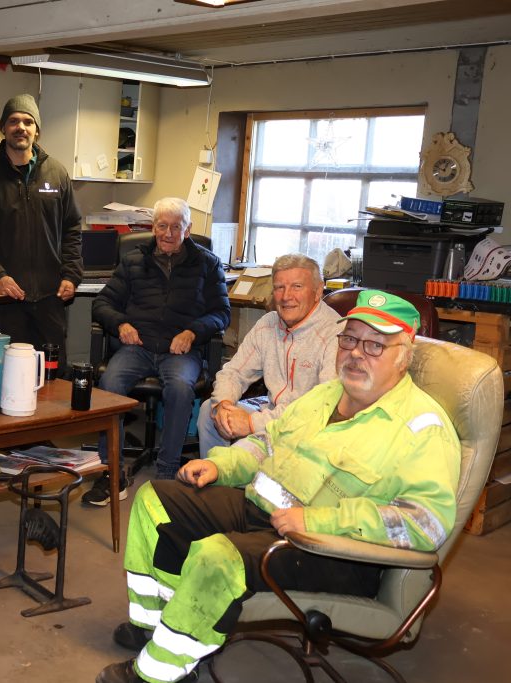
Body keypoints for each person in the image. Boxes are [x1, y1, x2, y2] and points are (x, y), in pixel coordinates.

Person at [96, 290, 460, 683]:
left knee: (217, 556)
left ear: (404, 357)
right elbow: (269, 441)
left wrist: (320, 521)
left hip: (334, 553)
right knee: (156, 500)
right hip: (262, 512)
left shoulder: (423, 428)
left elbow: (427, 523)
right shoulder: (327, 393)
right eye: (350, 339)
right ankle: (157, 626)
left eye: (375, 345)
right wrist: (222, 465)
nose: (356, 353)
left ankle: (159, 672)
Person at [86, 198, 229, 506]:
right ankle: (111, 472)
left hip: (180, 350)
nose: (167, 233)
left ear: (187, 230)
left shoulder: (208, 264)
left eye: (175, 227)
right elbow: (102, 304)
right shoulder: (134, 261)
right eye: (161, 226)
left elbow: (221, 313)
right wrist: (121, 324)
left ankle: (166, 473)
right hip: (137, 347)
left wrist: (193, 332)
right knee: (110, 386)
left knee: (179, 387)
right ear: (153, 228)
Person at [0, 93, 83, 370]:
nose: (21, 127)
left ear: (37, 130)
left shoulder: (57, 174)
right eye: (14, 121)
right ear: (3, 128)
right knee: (9, 375)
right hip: (7, 299)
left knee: (53, 380)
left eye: (28, 121)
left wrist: (71, 275)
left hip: (51, 298)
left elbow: (72, 228)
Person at [197, 253, 339, 457]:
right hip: (272, 410)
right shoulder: (269, 323)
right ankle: (214, 481)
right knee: (209, 412)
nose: (286, 296)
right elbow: (234, 372)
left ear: (318, 291)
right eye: (279, 287)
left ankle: (235, 476)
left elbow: (319, 410)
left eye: (297, 287)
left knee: (243, 452)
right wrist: (224, 404)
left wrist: (252, 423)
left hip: (308, 427)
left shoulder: (336, 334)